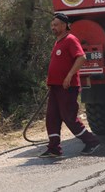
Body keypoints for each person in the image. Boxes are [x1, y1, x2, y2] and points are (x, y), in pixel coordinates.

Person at [40, 13, 100, 158]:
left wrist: (69, 75)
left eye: (56, 24)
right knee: (52, 117)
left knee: (68, 117)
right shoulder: (58, 42)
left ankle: (91, 141)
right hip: (55, 87)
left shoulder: (70, 39)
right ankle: (54, 148)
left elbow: (81, 57)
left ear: (65, 25)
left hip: (67, 86)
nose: (53, 27)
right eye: (52, 25)